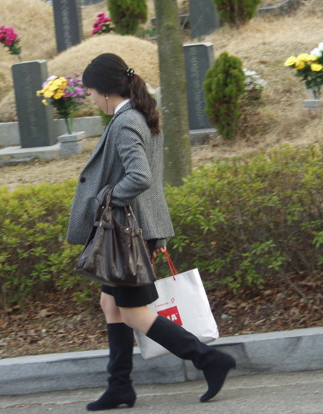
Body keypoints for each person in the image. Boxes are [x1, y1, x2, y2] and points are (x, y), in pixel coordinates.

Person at [67, 53, 236, 411]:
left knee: (134, 313)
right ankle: (120, 387)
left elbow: (140, 177)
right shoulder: (139, 113)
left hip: (127, 234)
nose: (90, 98)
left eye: (91, 92)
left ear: (106, 91)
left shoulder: (126, 121)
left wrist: (105, 197)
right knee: (110, 303)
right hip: (135, 229)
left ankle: (209, 359)